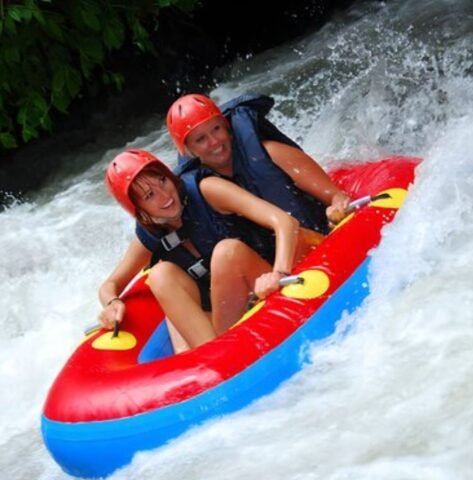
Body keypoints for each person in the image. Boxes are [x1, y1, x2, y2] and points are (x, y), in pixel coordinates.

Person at [98, 149, 318, 353]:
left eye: (162, 181)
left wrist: (278, 274)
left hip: (266, 285)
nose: (164, 196)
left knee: (226, 252)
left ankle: (218, 354)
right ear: (140, 211)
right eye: (149, 196)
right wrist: (112, 304)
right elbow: (109, 286)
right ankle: (213, 358)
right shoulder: (150, 235)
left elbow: (285, 222)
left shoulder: (207, 189)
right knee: (159, 274)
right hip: (227, 317)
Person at [166, 93, 352, 263]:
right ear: (189, 151)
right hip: (268, 267)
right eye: (200, 139)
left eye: (216, 129)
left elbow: (337, 196)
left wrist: (337, 207)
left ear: (227, 127)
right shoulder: (202, 189)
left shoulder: (271, 154)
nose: (214, 141)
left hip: (314, 243)